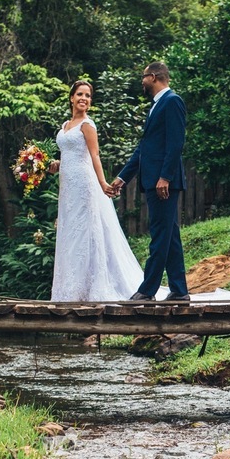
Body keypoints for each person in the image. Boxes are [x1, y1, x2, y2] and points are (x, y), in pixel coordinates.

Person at [47, 80, 145, 302]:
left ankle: (93, 288)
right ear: (71, 98)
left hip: (84, 185)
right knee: (71, 232)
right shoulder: (65, 126)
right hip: (67, 188)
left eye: (88, 96)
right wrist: (55, 165)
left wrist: (103, 184)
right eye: (80, 94)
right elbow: (69, 157)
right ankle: (69, 289)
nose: (84, 98)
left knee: (87, 231)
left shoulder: (88, 125)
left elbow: (94, 156)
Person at [111, 62, 190, 302]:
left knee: (159, 234)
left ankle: (147, 290)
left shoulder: (172, 101)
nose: (142, 81)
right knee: (169, 235)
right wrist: (123, 177)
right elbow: (144, 150)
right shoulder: (157, 106)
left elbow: (176, 143)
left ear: (153, 77)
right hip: (155, 181)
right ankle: (179, 290)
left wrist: (165, 177)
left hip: (163, 183)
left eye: (143, 77)